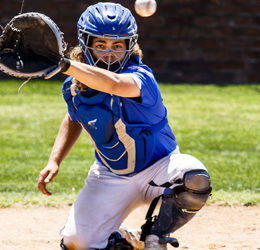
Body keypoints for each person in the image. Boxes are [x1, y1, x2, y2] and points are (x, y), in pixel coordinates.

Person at [37, 2, 212, 250]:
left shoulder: (141, 77)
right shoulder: (75, 87)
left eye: (117, 45)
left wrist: (65, 64)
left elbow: (116, 85)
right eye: (100, 45)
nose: (109, 53)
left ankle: (154, 236)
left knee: (194, 178)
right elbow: (73, 118)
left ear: (130, 46)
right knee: (77, 243)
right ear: (86, 44)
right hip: (111, 174)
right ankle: (122, 239)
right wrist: (54, 160)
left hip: (160, 168)